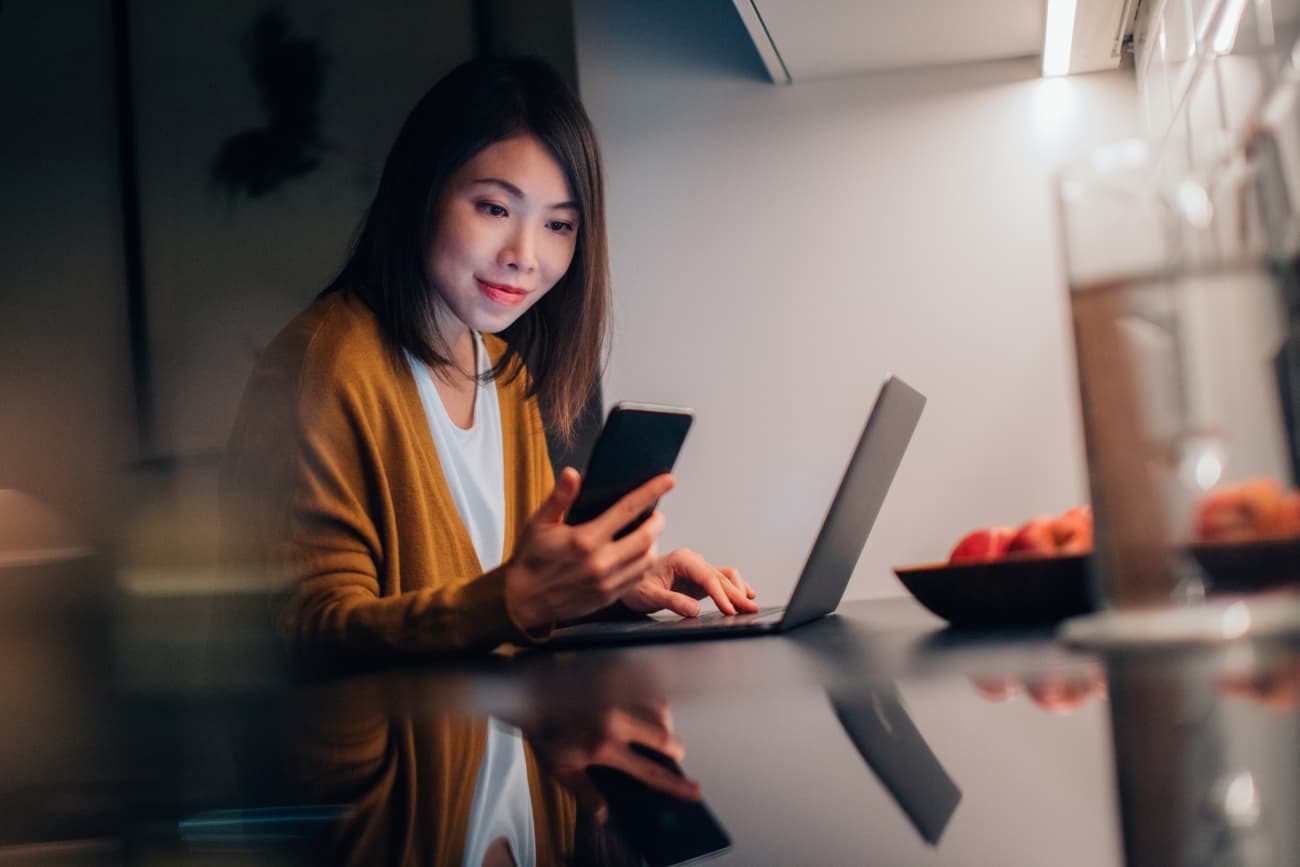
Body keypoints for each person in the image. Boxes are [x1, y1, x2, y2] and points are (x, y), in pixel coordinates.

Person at [221, 57, 757, 667]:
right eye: (495, 209)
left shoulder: (505, 377)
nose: (525, 256)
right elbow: (306, 632)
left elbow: (495, 601)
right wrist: (519, 600)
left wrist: (604, 592)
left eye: (558, 224)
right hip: (382, 760)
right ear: (421, 191)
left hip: (497, 754)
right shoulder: (324, 365)